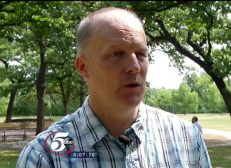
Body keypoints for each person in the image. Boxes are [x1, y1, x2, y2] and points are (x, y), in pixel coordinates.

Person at [16, 7, 212, 168]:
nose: (134, 66)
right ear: (84, 67)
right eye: (116, 54)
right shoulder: (45, 156)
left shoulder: (186, 138)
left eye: (141, 54)